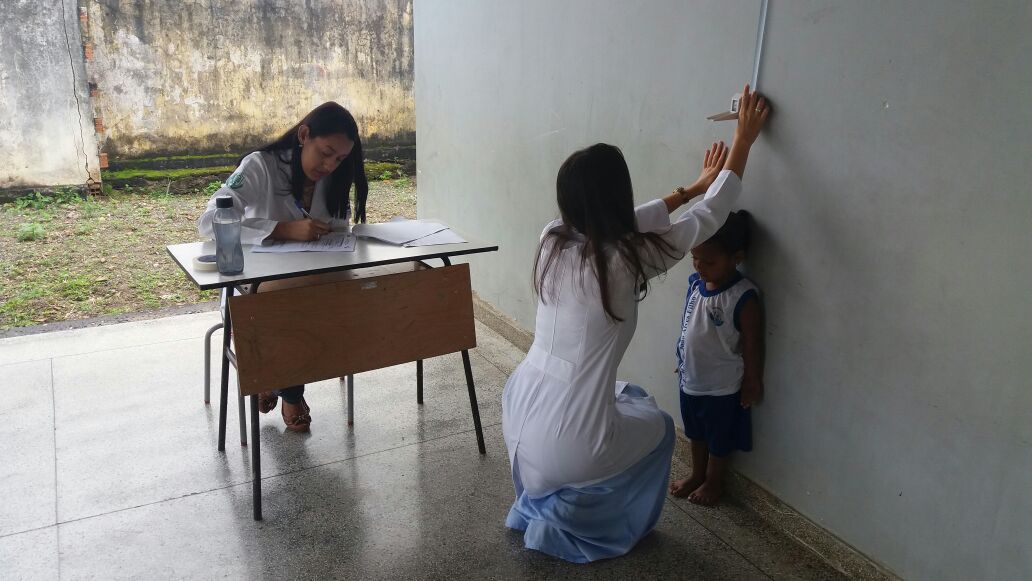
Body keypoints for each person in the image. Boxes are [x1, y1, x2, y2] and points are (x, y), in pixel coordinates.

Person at [502, 85, 769, 562]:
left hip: (520, 414)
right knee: (660, 429)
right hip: (570, 442)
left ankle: (545, 507)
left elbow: (630, 220)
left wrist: (690, 188)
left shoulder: (552, 238)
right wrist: (743, 143)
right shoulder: (625, 262)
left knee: (631, 397)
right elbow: (709, 218)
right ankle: (579, 527)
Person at [198, 101, 369, 432]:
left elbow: (339, 228)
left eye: (339, 159)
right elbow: (209, 223)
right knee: (288, 307)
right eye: (325, 153)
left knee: (344, 295)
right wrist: (281, 229)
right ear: (304, 135)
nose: (330, 165)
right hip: (255, 283)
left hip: (312, 277)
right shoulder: (260, 166)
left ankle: (270, 373)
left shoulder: (334, 177)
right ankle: (290, 391)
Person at [668, 210, 763, 505]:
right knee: (695, 433)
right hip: (691, 381)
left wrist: (752, 380)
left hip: (721, 387)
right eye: (695, 258)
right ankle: (697, 474)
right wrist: (682, 357)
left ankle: (713, 482)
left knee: (719, 438)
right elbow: (689, 326)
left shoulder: (742, 296)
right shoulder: (695, 285)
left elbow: (753, 343)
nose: (700, 266)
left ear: (737, 258)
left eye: (709, 262)